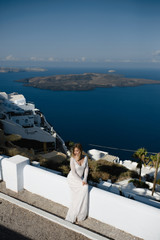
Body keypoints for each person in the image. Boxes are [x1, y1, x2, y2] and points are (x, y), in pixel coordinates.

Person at [65, 143, 89, 223]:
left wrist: (85, 179)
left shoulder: (85, 158)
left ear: (80, 150)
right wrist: (81, 181)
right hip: (73, 179)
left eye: (77, 151)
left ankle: (80, 214)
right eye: (74, 151)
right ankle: (74, 213)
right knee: (83, 190)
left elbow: (86, 169)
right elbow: (73, 172)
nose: (75, 152)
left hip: (81, 179)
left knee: (85, 188)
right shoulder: (72, 159)